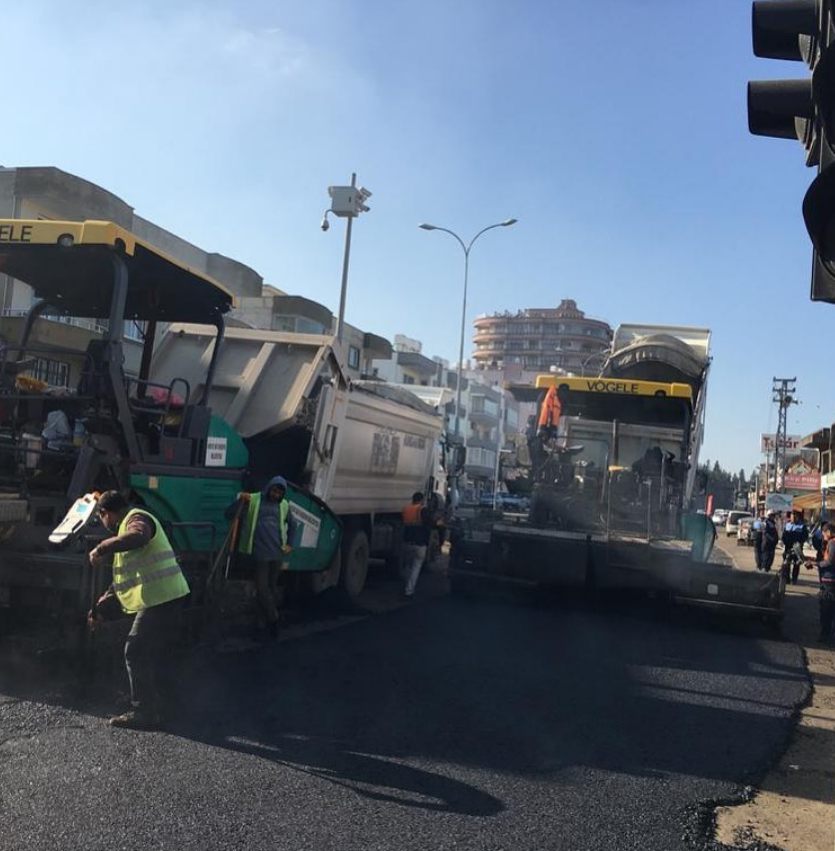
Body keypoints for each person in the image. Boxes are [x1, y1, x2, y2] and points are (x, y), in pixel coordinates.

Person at [88, 490, 190, 730]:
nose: (104, 524)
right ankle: (156, 702)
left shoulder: (136, 519)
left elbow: (139, 536)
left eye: (101, 517)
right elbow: (124, 579)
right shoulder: (126, 526)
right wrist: (101, 607)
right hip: (164, 597)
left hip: (163, 598)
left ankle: (145, 712)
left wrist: (102, 548)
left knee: (135, 650)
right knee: (148, 650)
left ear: (106, 513)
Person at [228, 476, 294, 638]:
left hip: (276, 553)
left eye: (279, 492)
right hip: (259, 554)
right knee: (262, 588)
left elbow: (293, 525)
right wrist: (240, 501)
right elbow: (229, 514)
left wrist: (290, 544)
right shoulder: (254, 500)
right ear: (269, 487)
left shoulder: (284, 506)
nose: (275, 494)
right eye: (274, 490)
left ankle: (260, 624)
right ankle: (274, 619)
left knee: (269, 589)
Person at [402, 491, 433, 598]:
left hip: (407, 542)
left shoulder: (406, 509)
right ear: (421, 500)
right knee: (416, 567)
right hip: (420, 544)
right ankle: (409, 590)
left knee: (408, 566)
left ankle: (406, 585)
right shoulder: (422, 510)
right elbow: (431, 523)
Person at [810, 522, 835, 643]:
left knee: (826, 610)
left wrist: (817, 564)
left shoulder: (832, 543)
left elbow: (830, 562)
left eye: (824, 534)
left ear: (829, 532)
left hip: (830, 581)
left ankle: (826, 635)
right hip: (829, 579)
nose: (823, 536)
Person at [781, 509, 809, 585]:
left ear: (798, 517)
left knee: (796, 564)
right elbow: (783, 536)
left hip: (797, 548)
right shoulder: (787, 525)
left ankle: (794, 579)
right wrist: (785, 542)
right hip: (788, 547)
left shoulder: (802, 526)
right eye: (792, 515)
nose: (793, 517)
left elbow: (805, 537)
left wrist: (800, 543)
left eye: (795, 515)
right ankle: (787, 579)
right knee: (786, 563)